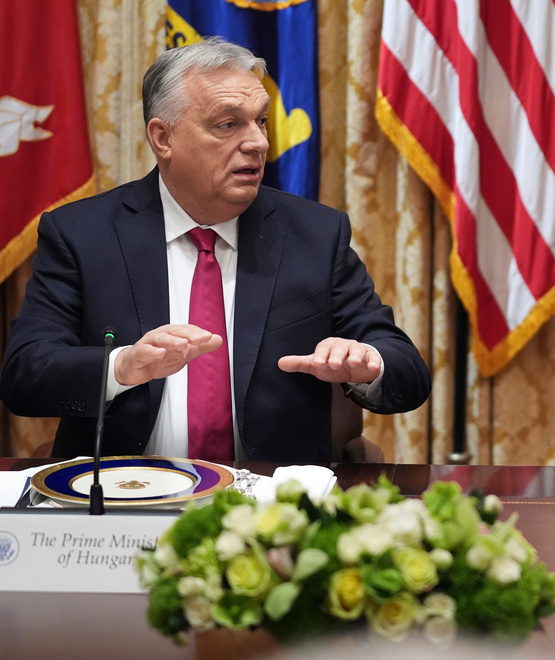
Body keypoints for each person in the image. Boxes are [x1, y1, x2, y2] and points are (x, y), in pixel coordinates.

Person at [0, 38, 431, 462]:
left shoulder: (315, 235)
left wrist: (368, 363)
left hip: (270, 510)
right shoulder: (82, 234)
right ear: (162, 137)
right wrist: (121, 367)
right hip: (124, 500)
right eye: (228, 124)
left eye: (260, 121)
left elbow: (406, 370)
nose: (258, 143)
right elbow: (25, 374)